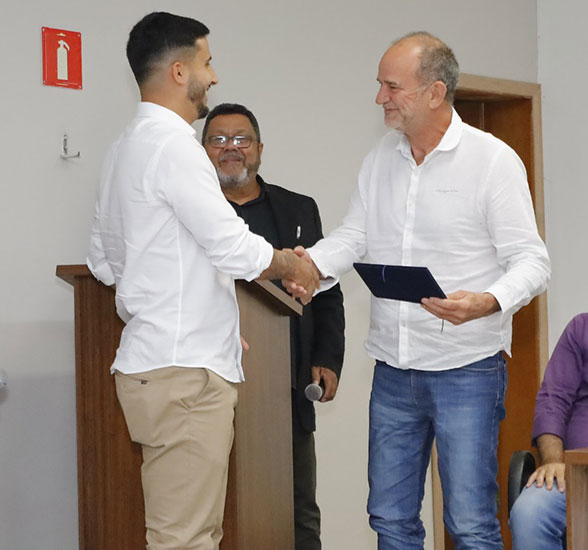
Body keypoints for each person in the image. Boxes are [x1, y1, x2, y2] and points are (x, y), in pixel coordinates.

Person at [296, 32, 551, 549]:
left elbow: (532, 261)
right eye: (380, 85)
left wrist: (488, 301)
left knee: (471, 522)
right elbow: (355, 236)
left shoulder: (492, 161)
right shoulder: (380, 159)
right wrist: (306, 266)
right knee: (389, 517)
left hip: (468, 369)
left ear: (435, 93)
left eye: (392, 86)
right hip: (393, 368)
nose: (380, 98)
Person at [86, 12, 317, 550]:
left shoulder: (123, 149)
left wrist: (203, 313)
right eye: (207, 62)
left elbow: (104, 262)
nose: (213, 76)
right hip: (183, 373)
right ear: (177, 69)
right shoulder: (174, 148)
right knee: (185, 540)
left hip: (158, 361)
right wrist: (293, 265)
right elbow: (234, 247)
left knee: (195, 534)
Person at [201, 103, 345, 550]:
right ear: (201, 151)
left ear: (260, 149)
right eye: (218, 140)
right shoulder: (195, 212)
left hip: (287, 387)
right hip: (207, 382)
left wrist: (326, 358)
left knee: (299, 512)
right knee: (217, 512)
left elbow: (326, 293)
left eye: (241, 139)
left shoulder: (298, 208)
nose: (230, 149)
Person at [509, 314, 588, 550]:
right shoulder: (581, 329)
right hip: (578, 475)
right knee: (530, 513)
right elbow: (553, 401)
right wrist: (554, 461)